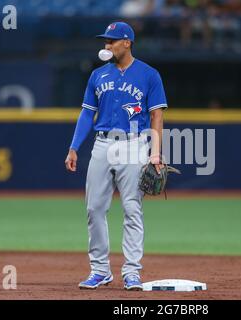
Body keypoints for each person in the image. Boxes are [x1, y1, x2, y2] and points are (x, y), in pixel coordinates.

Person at [64, 22, 168, 291]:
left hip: (134, 145)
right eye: (105, 41)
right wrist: (74, 146)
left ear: (127, 42)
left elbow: (157, 115)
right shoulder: (98, 75)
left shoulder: (149, 75)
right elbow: (87, 113)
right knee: (94, 208)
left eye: (111, 41)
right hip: (102, 145)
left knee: (132, 210)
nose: (106, 45)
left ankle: (132, 272)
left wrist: (155, 153)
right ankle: (100, 270)